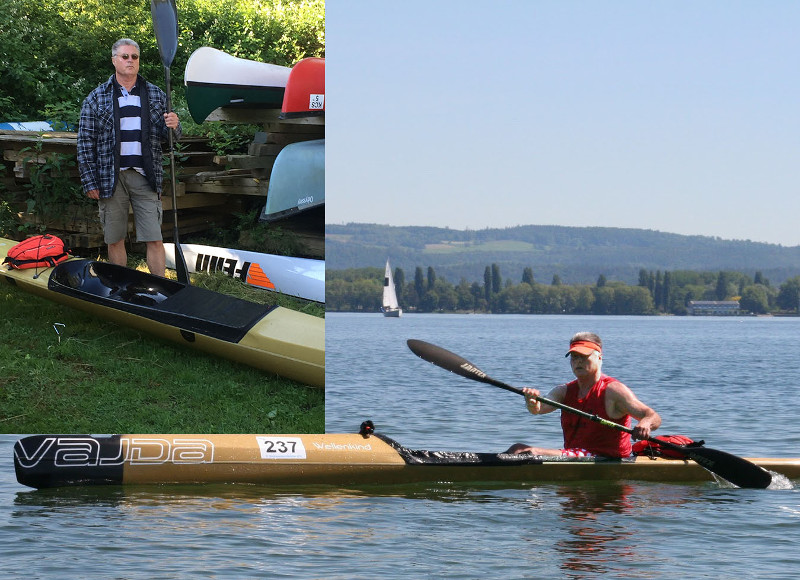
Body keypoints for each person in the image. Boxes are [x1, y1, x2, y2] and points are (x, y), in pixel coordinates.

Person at [77, 38, 181, 277]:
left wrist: (175, 126)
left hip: (145, 176)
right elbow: (84, 143)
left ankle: (160, 289)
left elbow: (172, 138)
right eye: (125, 56)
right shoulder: (96, 98)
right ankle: (118, 288)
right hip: (110, 178)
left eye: (134, 57)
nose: (130, 61)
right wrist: (89, 181)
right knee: (115, 238)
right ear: (114, 60)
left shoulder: (155, 94)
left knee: (154, 237)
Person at [506, 332, 661, 458]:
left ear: (599, 358)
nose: (578, 362)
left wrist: (645, 424)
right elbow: (538, 409)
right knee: (517, 449)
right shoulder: (563, 391)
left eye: (583, 356)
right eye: (574, 357)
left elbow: (652, 416)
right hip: (577, 456)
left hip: (608, 458)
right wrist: (532, 402)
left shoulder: (613, 391)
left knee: (526, 451)